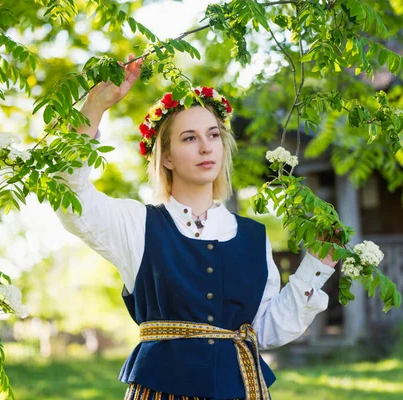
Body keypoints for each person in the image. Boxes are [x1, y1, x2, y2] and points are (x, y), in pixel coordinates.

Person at [55, 53, 339, 400]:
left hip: (239, 389)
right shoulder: (138, 225)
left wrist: (317, 267)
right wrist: (94, 107)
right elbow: (71, 197)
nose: (206, 147)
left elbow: (264, 330)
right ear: (168, 156)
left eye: (214, 135)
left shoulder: (253, 236)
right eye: (189, 138)